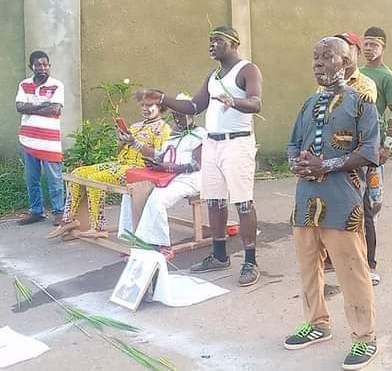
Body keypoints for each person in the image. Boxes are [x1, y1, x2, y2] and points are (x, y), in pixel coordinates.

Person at [140, 26, 264, 287]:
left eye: (217, 40)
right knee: (215, 201)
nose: (212, 45)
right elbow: (194, 106)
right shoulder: (213, 75)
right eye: (210, 41)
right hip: (212, 143)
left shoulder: (247, 70)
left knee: (242, 202)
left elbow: (255, 103)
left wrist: (235, 101)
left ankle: (250, 261)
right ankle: (219, 255)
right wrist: (163, 98)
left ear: (234, 44)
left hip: (237, 143)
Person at [285, 37, 380, 370]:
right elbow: (293, 143)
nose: (318, 62)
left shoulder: (362, 103)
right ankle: (318, 323)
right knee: (308, 266)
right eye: (315, 56)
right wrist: (295, 162)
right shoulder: (308, 103)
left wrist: (325, 165)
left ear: (345, 62)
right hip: (305, 200)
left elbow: (370, 153)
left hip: (343, 203)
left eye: (326, 56)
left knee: (352, 269)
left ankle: (364, 337)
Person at [49, 93, 170, 240]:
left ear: (160, 107)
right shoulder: (136, 126)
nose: (145, 109)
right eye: (143, 105)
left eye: (149, 105)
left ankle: (98, 227)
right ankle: (69, 220)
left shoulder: (163, 129)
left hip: (139, 169)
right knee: (77, 173)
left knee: (96, 179)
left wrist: (134, 142)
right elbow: (120, 151)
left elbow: (159, 155)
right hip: (121, 164)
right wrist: (121, 140)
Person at [322, 32, 377, 274]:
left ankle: (368, 264)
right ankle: (335, 258)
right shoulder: (323, 86)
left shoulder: (364, 85)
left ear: (352, 53)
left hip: (358, 160)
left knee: (363, 212)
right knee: (333, 209)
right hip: (331, 159)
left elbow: (360, 126)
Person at [117, 109, 206, 255]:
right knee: (131, 191)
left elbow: (196, 165)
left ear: (190, 116)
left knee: (157, 199)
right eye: (175, 115)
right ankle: (132, 238)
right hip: (165, 175)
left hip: (188, 178)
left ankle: (159, 244)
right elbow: (160, 154)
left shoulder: (200, 134)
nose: (177, 119)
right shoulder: (173, 133)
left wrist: (168, 167)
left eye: (181, 115)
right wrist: (136, 145)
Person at [360, 26, 392, 285]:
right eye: (365, 44)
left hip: (374, 147)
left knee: (372, 203)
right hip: (352, 147)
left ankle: (369, 258)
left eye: (374, 45)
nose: (368, 49)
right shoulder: (355, 74)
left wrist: (387, 145)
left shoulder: (388, 78)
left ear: (383, 47)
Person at [15, 51, 66, 226]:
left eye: (45, 64)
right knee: (31, 179)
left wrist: (32, 107)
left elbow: (55, 110)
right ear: (32, 67)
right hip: (28, 139)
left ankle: (59, 212)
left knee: (55, 178)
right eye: (38, 65)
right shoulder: (24, 84)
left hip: (50, 142)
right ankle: (36, 211)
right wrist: (43, 104)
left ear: (49, 66)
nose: (42, 68)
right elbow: (19, 107)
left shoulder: (57, 85)